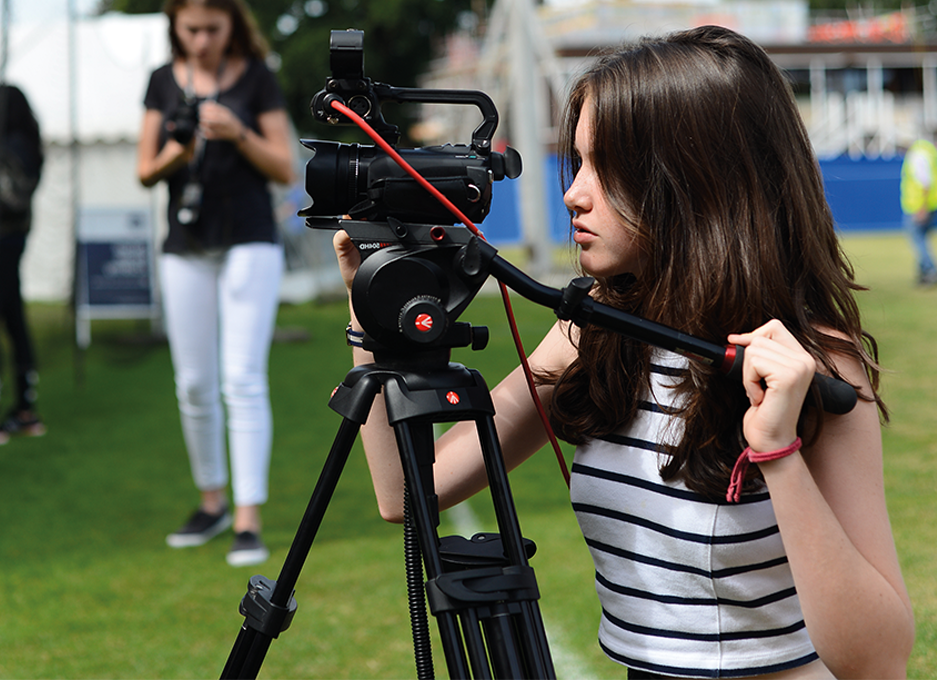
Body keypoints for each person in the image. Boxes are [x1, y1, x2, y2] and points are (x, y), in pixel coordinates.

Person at [333, 26, 914, 678]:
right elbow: (408, 495)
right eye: (576, 162)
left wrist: (777, 453)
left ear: (697, 180)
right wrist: (369, 315)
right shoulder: (593, 332)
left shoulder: (811, 365)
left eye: (605, 167)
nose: (574, 193)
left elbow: (879, 661)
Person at [137, 0, 295, 566]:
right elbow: (144, 169)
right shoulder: (162, 81)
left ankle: (248, 517)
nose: (202, 39)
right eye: (191, 29)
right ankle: (212, 502)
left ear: (232, 25)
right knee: (194, 383)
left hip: (249, 237)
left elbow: (284, 166)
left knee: (242, 378)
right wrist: (183, 150)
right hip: (186, 245)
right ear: (176, 27)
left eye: (212, 28)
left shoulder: (256, 78)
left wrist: (237, 131)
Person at [0, 84, 46, 440]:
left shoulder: (7, 148)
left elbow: (9, 198)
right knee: (14, 317)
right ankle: (25, 407)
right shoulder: (29, 143)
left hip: (1, 239)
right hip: (14, 238)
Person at [900, 135, 937, 285]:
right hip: (929, 204)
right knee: (921, 239)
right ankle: (924, 272)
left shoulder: (918, 154)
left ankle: (929, 270)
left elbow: (925, 181)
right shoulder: (929, 152)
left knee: (918, 239)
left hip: (918, 206)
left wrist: (922, 208)